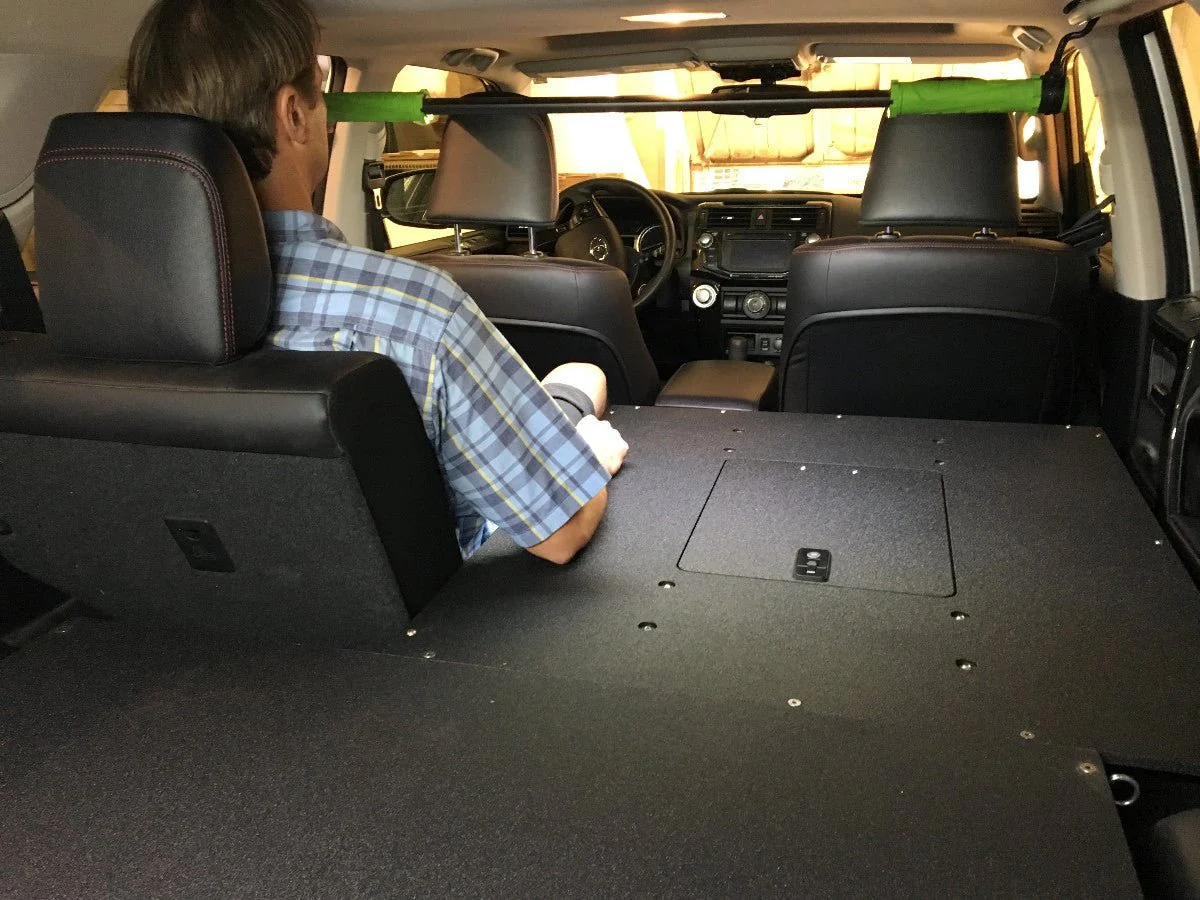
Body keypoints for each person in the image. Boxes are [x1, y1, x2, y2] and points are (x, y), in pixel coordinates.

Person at [125, 0, 628, 564]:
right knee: (584, 378)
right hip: (437, 611)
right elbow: (562, 532)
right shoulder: (416, 310)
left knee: (578, 379)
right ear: (293, 115)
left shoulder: (102, 316)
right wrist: (587, 456)